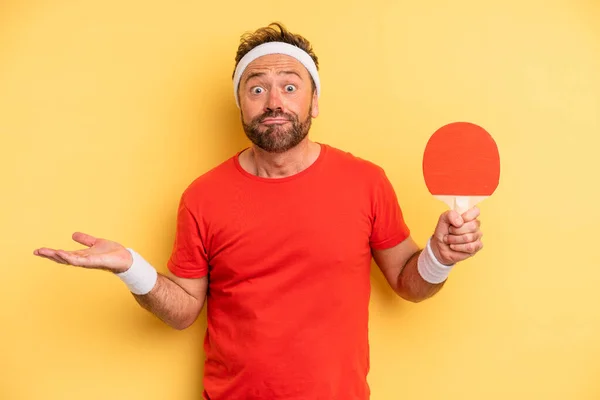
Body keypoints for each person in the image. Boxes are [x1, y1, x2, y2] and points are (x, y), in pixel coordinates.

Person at [33, 22, 484, 400]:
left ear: (314, 101)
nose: (274, 101)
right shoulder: (202, 196)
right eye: (257, 89)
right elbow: (184, 311)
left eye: (290, 86)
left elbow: (408, 283)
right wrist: (132, 268)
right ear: (241, 105)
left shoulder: (366, 181)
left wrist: (440, 257)